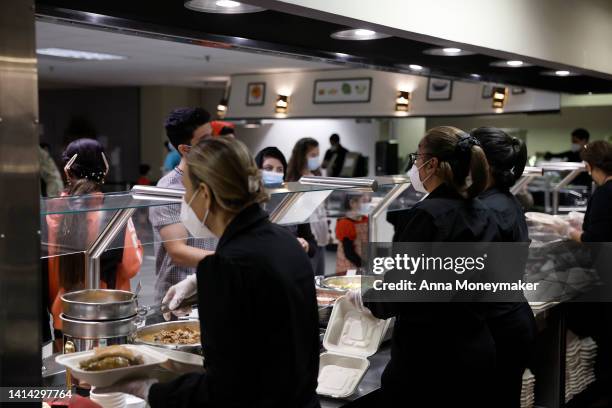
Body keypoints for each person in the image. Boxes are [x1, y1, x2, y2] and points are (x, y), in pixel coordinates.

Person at [100, 137, 321, 408]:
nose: (185, 203)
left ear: (205, 193)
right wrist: (200, 281)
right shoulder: (286, 242)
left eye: (187, 192)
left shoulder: (225, 267)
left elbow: (223, 392)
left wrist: (151, 390)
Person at [353, 126, 501, 407]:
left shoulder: (427, 215)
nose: (415, 165)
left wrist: (366, 297)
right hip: (476, 351)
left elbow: (401, 291)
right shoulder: (482, 211)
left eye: (416, 158)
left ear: (432, 164)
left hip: (431, 362)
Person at [46, 138, 143, 333]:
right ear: (104, 172)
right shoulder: (115, 213)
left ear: (67, 171)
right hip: (109, 314)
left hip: (65, 314)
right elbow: (131, 266)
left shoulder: (51, 212)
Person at [472, 127, 537, 408]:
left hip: (498, 330)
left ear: (482, 163)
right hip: (511, 322)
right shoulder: (503, 201)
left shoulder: (487, 210)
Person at [149, 108, 216, 305]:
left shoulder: (215, 180)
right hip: (178, 298)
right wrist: (230, 260)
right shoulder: (167, 189)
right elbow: (178, 252)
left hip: (214, 286)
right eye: (204, 140)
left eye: (212, 136)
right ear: (185, 149)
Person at [565, 140, 612, 405]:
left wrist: (570, 233)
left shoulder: (605, 193)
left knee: (605, 337)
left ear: (590, 166)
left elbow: (596, 238)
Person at [254, 146, 318, 258]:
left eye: (280, 170)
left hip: (290, 267)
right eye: (268, 168)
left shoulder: (293, 201)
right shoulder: (248, 204)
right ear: (257, 171)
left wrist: (306, 245)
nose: (275, 173)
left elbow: (311, 244)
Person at [287, 138, 329, 276]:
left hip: (320, 236)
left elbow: (322, 208)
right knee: (308, 276)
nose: (316, 159)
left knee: (320, 277)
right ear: (301, 156)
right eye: (312, 155)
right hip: (306, 238)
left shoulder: (317, 176)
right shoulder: (293, 181)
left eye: (317, 154)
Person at [335, 193, 369, 275]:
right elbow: (349, 253)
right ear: (352, 203)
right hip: (349, 267)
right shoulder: (345, 223)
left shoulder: (365, 219)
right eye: (364, 201)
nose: (367, 205)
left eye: (368, 201)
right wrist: (365, 265)